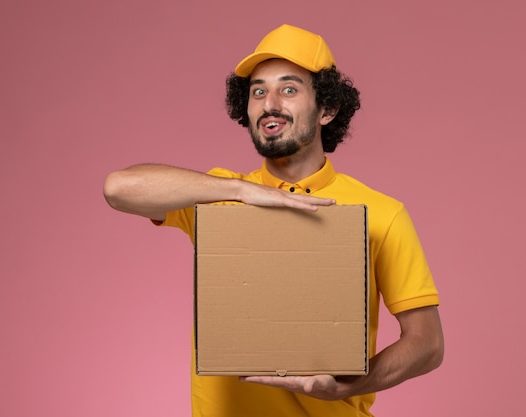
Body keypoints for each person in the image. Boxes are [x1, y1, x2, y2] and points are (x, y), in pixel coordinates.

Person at [104, 24, 444, 417]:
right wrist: (240, 191)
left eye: (289, 89)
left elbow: (427, 342)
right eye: (258, 91)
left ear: (327, 109)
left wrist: (349, 387)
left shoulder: (380, 212)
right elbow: (118, 188)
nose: (269, 104)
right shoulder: (217, 197)